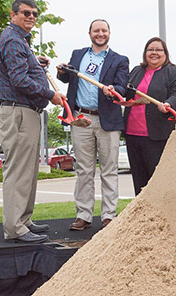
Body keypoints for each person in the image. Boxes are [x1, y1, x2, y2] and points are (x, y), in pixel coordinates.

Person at [0, 0, 65, 243]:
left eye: (35, 14)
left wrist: (35, 63)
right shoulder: (13, 40)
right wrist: (51, 95)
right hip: (19, 112)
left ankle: (23, 220)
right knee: (18, 171)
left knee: (29, 170)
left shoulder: (20, 41)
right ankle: (15, 228)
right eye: (26, 13)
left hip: (27, 112)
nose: (31, 17)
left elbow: (21, 70)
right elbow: (19, 80)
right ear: (13, 15)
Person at [57, 19, 129, 231]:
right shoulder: (78, 55)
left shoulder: (119, 59)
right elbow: (67, 79)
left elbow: (122, 86)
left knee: (109, 170)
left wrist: (113, 89)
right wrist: (62, 72)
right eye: (96, 30)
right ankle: (83, 215)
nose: (100, 33)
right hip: (80, 119)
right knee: (84, 171)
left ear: (109, 33)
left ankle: (108, 216)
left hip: (107, 120)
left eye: (103, 30)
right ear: (89, 33)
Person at [124, 37, 176, 195]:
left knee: (158, 180)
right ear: (145, 53)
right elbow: (126, 93)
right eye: (150, 49)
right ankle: (141, 215)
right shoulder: (136, 71)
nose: (154, 53)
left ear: (165, 53)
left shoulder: (175, 73)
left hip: (157, 135)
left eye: (158, 50)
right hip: (132, 134)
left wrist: (169, 103)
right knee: (139, 180)